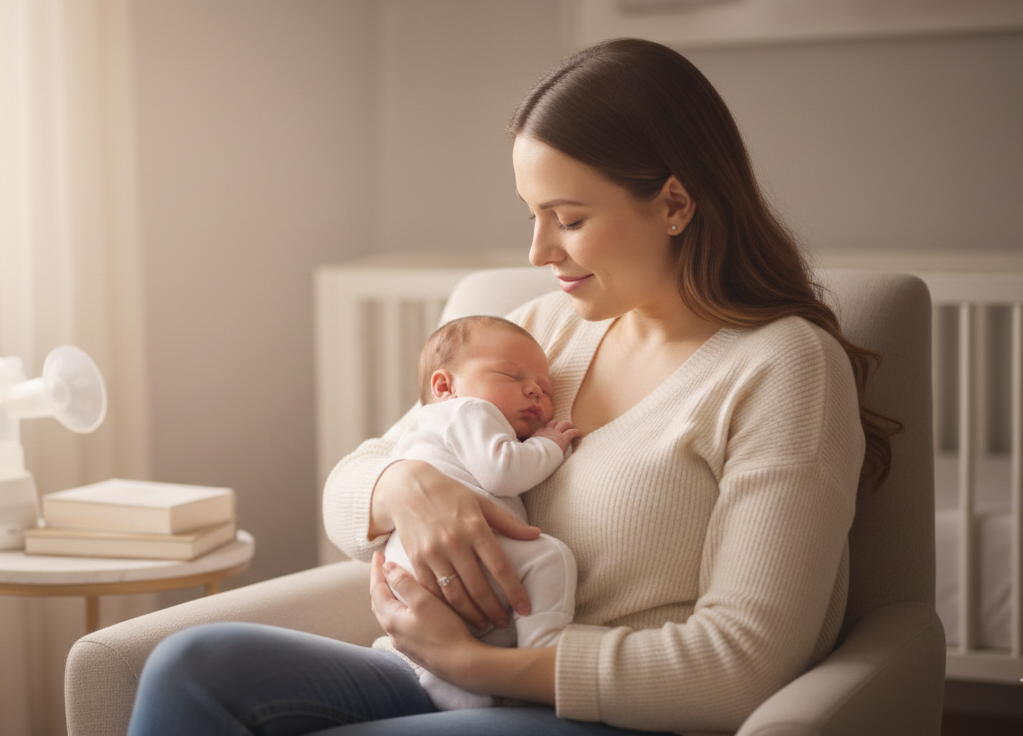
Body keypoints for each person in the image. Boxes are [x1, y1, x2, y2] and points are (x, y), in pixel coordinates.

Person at [125, 37, 899, 736]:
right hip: (439, 675)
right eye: (532, 214)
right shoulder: (542, 336)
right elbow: (348, 491)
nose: (538, 251)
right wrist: (406, 488)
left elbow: (741, 664)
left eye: (566, 218)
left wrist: (480, 667)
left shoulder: (782, 368)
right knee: (192, 666)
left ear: (673, 202)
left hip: (605, 714)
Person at [384, 314, 581, 711]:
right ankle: (544, 650)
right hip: (455, 550)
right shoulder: (467, 411)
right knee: (549, 556)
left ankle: (452, 689)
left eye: (545, 389)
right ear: (445, 386)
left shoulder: (419, 429)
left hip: (407, 561)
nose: (535, 392)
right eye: (511, 377)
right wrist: (549, 445)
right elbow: (503, 472)